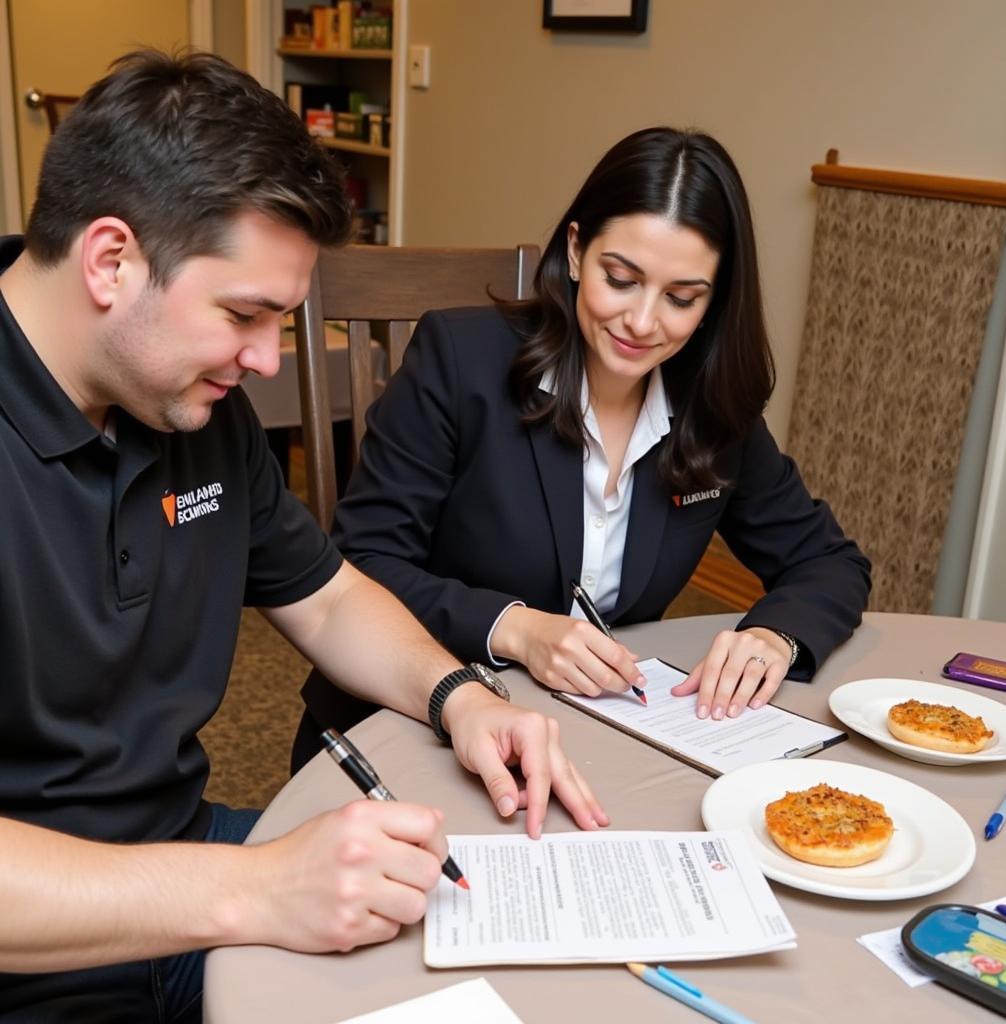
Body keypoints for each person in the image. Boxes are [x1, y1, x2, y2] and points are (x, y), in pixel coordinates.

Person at [0, 50, 607, 1023]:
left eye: (282, 320)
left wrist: (458, 696)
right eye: (245, 314)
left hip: (190, 865)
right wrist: (257, 891)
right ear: (110, 260)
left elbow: (325, 597)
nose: (265, 359)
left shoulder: (190, 401)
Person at [294, 127, 871, 767]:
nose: (643, 322)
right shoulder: (460, 361)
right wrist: (517, 629)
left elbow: (829, 561)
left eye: (681, 298)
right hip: (405, 726)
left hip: (588, 738)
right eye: (621, 279)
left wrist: (775, 635)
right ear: (575, 251)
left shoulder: (711, 410)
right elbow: (363, 562)